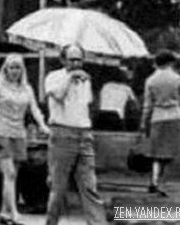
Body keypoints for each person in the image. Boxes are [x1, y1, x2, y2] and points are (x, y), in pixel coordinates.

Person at [44, 44, 107, 225]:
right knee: (58, 187)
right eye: (72, 60)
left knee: (89, 186)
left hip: (84, 134)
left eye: (79, 60)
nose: (76, 64)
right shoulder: (54, 77)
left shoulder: (85, 80)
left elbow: (86, 106)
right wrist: (70, 77)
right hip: (62, 132)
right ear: (63, 60)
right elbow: (58, 96)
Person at [0, 54, 50, 225]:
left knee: (13, 175)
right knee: (10, 173)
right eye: (11, 67)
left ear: (22, 70)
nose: (15, 71)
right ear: (5, 69)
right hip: (2, 132)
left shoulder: (27, 88)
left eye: (18, 67)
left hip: (19, 134)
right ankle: (14, 213)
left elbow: (34, 109)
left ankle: (4, 213)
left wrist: (43, 125)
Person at [141, 49, 180, 196]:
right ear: (170, 63)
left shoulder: (150, 80)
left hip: (158, 116)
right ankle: (164, 183)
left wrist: (143, 122)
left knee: (157, 152)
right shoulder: (178, 79)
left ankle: (154, 181)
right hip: (175, 115)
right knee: (171, 152)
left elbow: (147, 105)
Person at [96, 65, 137, 131]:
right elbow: (135, 105)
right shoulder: (126, 89)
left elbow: (98, 103)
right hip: (116, 117)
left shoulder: (105, 86)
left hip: (102, 116)